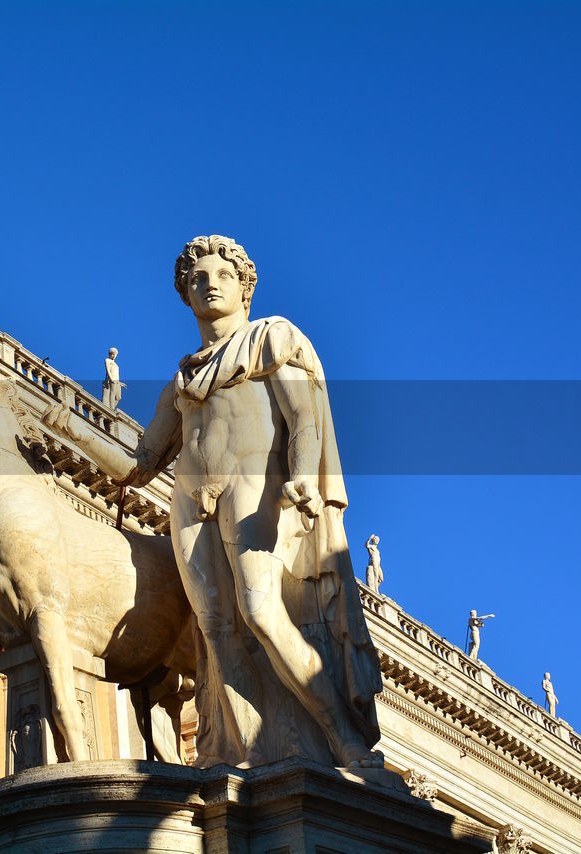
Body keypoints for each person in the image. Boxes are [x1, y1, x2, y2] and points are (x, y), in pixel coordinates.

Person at [47, 234, 383, 769]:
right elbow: (140, 462)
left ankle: (342, 737)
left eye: (222, 276)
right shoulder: (183, 381)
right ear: (185, 292)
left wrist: (300, 478)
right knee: (217, 633)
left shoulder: (272, 340)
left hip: (254, 485)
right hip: (190, 498)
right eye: (197, 278)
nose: (209, 284)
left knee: (261, 611)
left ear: (244, 288)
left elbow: (303, 417)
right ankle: (247, 755)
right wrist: (59, 424)